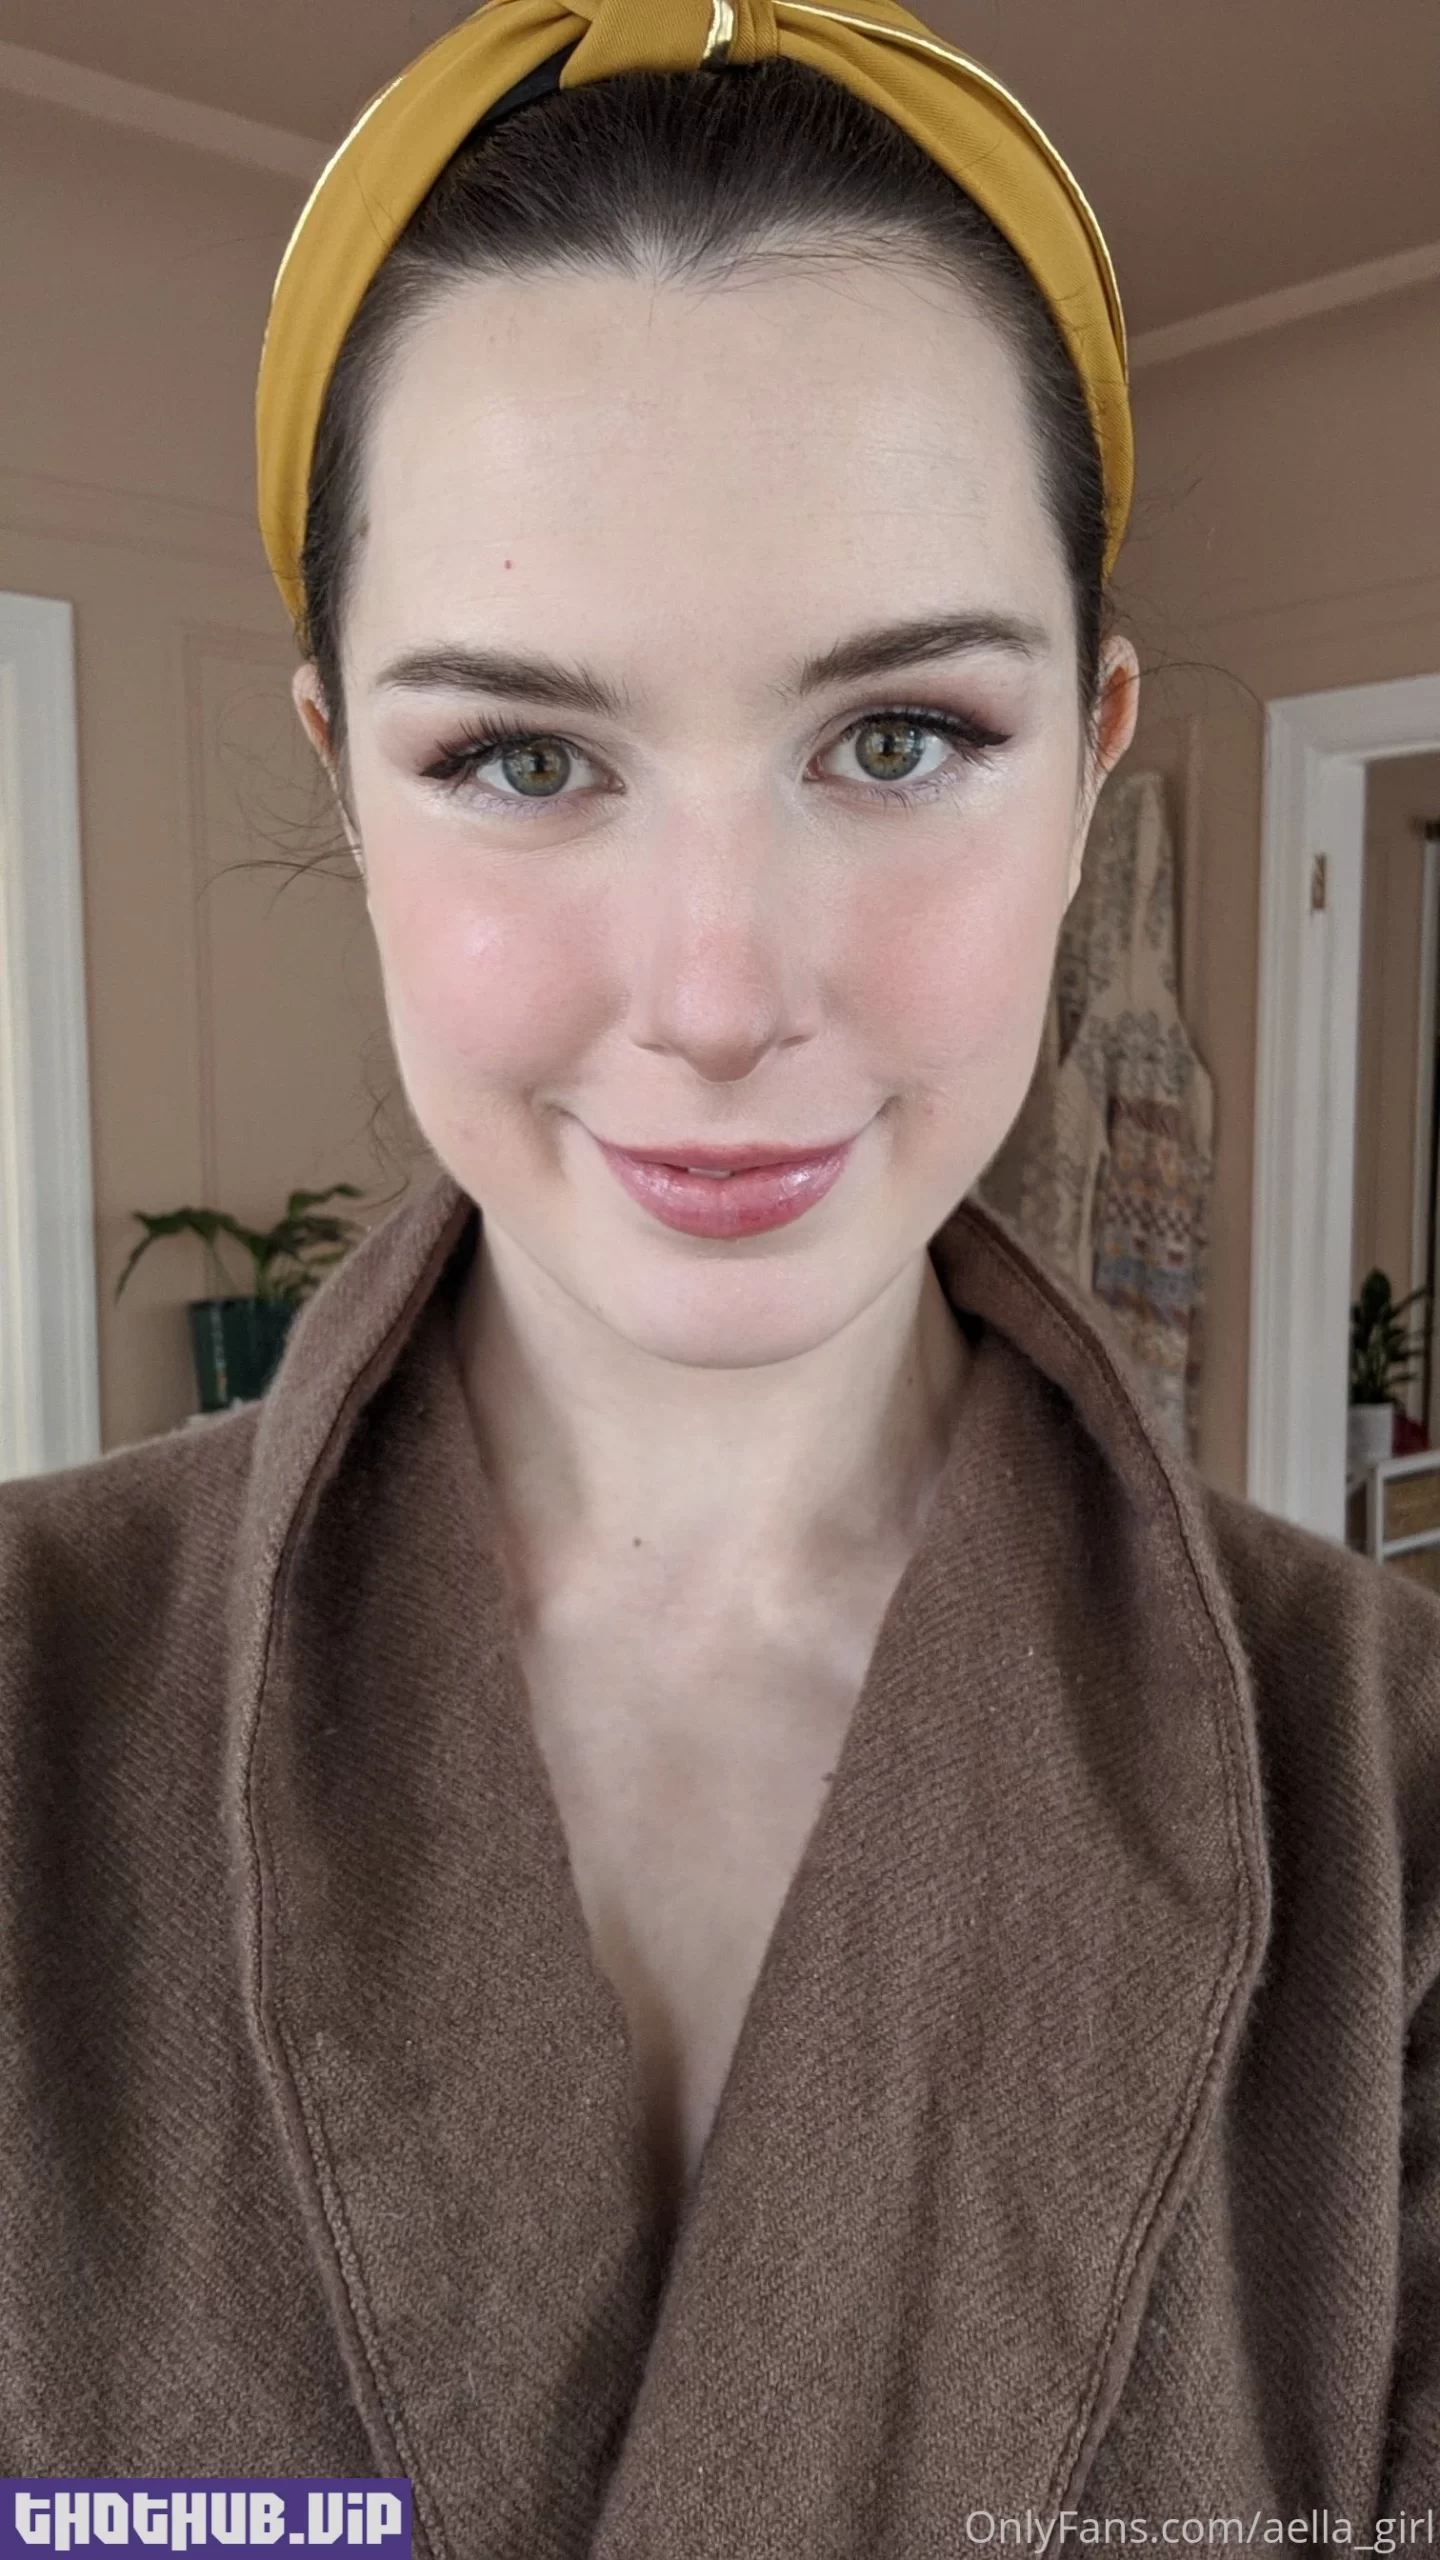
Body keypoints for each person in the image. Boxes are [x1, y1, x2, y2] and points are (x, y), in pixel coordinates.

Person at [2, 0, 1438, 2538]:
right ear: (347, 781)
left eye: (897, 737)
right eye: (521, 758)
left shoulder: (1397, 1805)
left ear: (1092, 757)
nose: (715, 992)